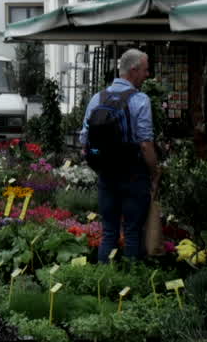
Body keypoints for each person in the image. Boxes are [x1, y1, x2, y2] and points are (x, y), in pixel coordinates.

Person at [78, 48, 159, 261]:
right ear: (133, 71)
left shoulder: (98, 98)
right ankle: (131, 288)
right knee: (132, 233)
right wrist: (155, 173)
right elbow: (145, 144)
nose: (147, 74)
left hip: (106, 175)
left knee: (109, 233)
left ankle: (104, 286)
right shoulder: (141, 100)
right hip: (133, 174)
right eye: (145, 70)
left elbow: (84, 139)